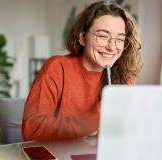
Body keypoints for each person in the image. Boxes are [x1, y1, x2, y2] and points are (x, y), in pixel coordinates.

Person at [22, 0, 142, 141]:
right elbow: (32, 128)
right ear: (82, 37)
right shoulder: (57, 67)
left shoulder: (124, 78)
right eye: (103, 36)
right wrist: (87, 124)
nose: (112, 47)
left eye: (120, 39)